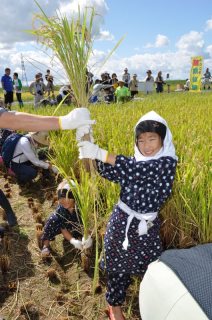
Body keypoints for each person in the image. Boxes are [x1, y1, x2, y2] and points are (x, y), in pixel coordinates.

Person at [77, 110, 178, 320]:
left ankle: (152, 302)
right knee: (117, 267)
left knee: (151, 267)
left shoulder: (167, 164)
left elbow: (136, 170)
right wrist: (89, 149)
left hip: (146, 226)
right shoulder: (133, 161)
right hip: (122, 222)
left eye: (152, 139)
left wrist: (100, 152)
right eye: (141, 140)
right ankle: (114, 308)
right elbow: (111, 172)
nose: (146, 145)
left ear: (163, 139)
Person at [41, 180, 92, 255]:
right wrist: (72, 241)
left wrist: (88, 236)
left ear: (74, 196)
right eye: (60, 198)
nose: (62, 201)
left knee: (83, 236)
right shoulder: (61, 209)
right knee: (53, 219)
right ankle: (46, 244)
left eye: (65, 197)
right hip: (67, 225)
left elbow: (89, 225)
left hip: (79, 226)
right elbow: (63, 229)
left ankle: (81, 237)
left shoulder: (82, 207)